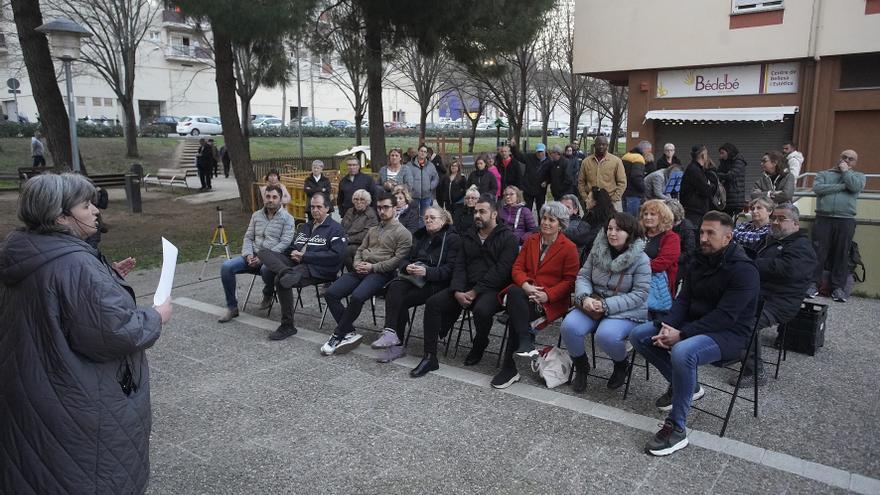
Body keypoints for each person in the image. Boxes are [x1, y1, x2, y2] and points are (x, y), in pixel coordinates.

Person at [0, 173, 172, 493]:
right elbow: (114, 332)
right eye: (86, 205)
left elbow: (59, 304)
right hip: (73, 398)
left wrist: (106, 278)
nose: (95, 211)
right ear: (60, 216)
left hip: (32, 388)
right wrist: (155, 317)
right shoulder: (76, 264)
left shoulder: (22, 250)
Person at [630, 211, 759, 456]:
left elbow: (725, 316)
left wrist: (682, 334)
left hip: (729, 333)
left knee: (682, 351)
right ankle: (690, 387)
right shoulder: (698, 260)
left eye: (711, 233)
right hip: (694, 323)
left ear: (728, 237)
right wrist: (668, 325)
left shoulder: (744, 270)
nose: (703, 238)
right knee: (640, 335)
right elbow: (683, 300)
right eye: (702, 232)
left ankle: (677, 428)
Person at [411, 194, 519, 377]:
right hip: (464, 287)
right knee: (433, 304)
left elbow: (501, 271)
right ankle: (430, 357)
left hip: (493, 290)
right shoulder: (469, 235)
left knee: (482, 310)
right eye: (476, 211)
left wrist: (475, 291)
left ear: (494, 214)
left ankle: (480, 342)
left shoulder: (508, 238)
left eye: (482, 211)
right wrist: (457, 290)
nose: (477, 215)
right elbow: (459, 265)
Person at [491, 202, 580, 389]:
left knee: (516, 312)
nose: (546, 223)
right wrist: (526, 285)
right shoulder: (532, 240)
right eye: (544, 218)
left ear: (561, 224)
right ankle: (524, 340)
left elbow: (570, 281)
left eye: (551, 220)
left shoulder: (569, 248)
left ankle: (510, 368)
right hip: (525, 294)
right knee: (515, 292)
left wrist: (547, 295)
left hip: (548, 301)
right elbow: (517, 267)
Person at [561, 212, 651, 392]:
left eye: (618, 229)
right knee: (568, 327)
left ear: (630, 233)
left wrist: (607, 306)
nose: (612, 233)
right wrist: (584, 297)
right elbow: (583, 276)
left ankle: (621, 364)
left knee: (606, 335)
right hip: (593, 303)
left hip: (625, 309)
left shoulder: (641, 260)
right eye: (610, 228)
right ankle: (581, 366)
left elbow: (640, 294)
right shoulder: (597, 251)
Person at [321, 191, 412, 356]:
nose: (382, 211)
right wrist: (357, 264)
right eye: (379, 208)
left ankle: (338, 334)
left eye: (386, 207)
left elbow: (397, 261)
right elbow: (360, 249)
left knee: (357, 296)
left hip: (382, 273)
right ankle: (348, 331)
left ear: (395, 208)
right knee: (331, 293)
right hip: (361, 269)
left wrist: (372, 268)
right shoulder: (373, 229)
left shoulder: (403, 233)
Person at [735, 203, 816, 386]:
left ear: (795, 223)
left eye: (781, 219)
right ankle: (729, 351)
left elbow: (788, 270)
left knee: (745, 322)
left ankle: (755, 371)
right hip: (759, 295)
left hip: (780, 302)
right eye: (773, 218)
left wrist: (753, 263)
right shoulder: (770, 240)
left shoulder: (802, 246)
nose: (775, 222)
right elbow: (749, 256)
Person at [372, 207, 461, 363]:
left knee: (400, 300)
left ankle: (396, 344)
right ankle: (391, 334)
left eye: (432, 217)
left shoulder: (453, 239)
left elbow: (451, 269)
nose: (428, 220)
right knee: (394, 287)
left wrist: (427, 272)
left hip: (436, 282)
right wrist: (407, 267)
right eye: (426, 217)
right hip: (414, 278)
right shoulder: (420, 236)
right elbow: (404, 258)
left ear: (443, 220)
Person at [258, 192, 346, 340]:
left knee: (281, 280)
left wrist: (305, 256)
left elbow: (336, 256)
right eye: (312, 207)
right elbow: (292, 245)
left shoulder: (336, 229)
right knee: (263, 252)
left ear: (327, 208)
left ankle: (287, 326)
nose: (315, 210)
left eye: (319, 207)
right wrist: (293, 251)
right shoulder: (305, 226)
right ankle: (286, 271)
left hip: (318, 268)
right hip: (296, 263)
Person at [218, 185, 296, 322]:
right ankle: (232, 307)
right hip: (252, 255)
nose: (270, 200)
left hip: (271, 258)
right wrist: (248, 255)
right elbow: (248, 237)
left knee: (267, 270)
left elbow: (285, 243)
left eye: (274, 197)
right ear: (264, 197)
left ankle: (268, 292)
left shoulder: (288, 218)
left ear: (280, 200)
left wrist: (263, 258)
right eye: (268, 196)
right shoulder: (256, 215)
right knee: (227, 267)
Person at [808, 150, 866, 302]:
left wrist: (846, 173)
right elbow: (818, 189)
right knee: (817, 252)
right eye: (844, 157)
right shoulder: (824, 174)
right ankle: (812, 284)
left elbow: (855, 187)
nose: (846, 160)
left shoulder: (858, 176)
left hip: (845, 219)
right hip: (823, 217)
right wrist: (841, 187)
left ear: (854, 163)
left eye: (851, 159)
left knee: (841, 254)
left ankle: (838, 288)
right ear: (838, 157)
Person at [640, 200, 680, 307]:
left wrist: (636, 267)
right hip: (636, 282)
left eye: (653, 214)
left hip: (657, 287)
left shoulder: (671, 238)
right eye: (645, 214)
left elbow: (662, 264)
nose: (648, 217)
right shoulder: (639, 234)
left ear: (663, 217)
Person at [578, 135, 626, 211]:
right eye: (599, 144)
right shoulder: (586, 162)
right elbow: (581, 182)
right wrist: (585, 197)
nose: (601, 147)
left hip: (612, 202)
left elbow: (622, 182)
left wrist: (614, 198)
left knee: (613, 222)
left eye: (603, 144)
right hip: (592, 202)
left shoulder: (616, 161)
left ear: (607, 145)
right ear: (594, 146)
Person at [341, 188, 379, 271]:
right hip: (345, 240)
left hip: (361, 244)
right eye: (356, 199)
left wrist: (347, 239)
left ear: (367, 201)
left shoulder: (371, 215)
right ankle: (330, 276)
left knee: (346, 250)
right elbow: (342, 226)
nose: (358, 202)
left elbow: (366, 234)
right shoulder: (349, 211)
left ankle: (353, 272)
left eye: (362, 200)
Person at [511, 137, 551, 212]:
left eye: (541, 152)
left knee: (541, 210)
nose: (540, 154)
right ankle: (527, 223)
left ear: (545, 151)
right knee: (527, 210)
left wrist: (547, 181)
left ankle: (540, 223)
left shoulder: (549, 162)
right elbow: (518, 156)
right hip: (528, 188)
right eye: (538, 152)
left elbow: (551, 175)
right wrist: (513, 147)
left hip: (540, 190)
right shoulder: (530, 157)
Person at [679, 145, 715, 227]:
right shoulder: (694, 170)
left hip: (696, 210)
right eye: (706, 154)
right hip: (695, 211)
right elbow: (706, 190)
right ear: (703, 155)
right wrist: (712, 185)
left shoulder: (697, 169)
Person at [665, 199, 696, 288]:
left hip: (681, 263)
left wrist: (672, 258)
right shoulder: (666, 225)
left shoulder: (686, 228)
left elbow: (689, 252)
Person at [405, 144, 440, 219]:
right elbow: (405, 178)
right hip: (413, 196)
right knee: (413, 217)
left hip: (426, 196)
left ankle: (423, 230)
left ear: (427, 154)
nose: (423, 153)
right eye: (421, 151)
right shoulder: (409, 165)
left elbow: (436, 178)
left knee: (425, 217)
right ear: (418, 152)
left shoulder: (430, 165)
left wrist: (431, 186)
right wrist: (410, 188)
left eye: (425, 152)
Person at [580, 186, 616, 255]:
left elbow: (587, 238)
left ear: (595, 203)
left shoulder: (606, 221)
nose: (586, 200)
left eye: (588, 198)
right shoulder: (589, 215)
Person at [717, 143, 747, 217]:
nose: (721, 156)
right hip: (726, 197)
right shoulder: (724, 162)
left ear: (729, 152)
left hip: (735, 198)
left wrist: (718, 175)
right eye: (720, 153)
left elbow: (731, 175)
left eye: (722, 153)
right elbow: (718, 172)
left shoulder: (739, 161)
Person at [621, 147, 647, 216]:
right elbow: (636, 176)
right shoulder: (638, 159)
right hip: (634, 194)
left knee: (625, 220)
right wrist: (643, 189)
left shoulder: (624, 158)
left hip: (624, 193)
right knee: (633, 220)